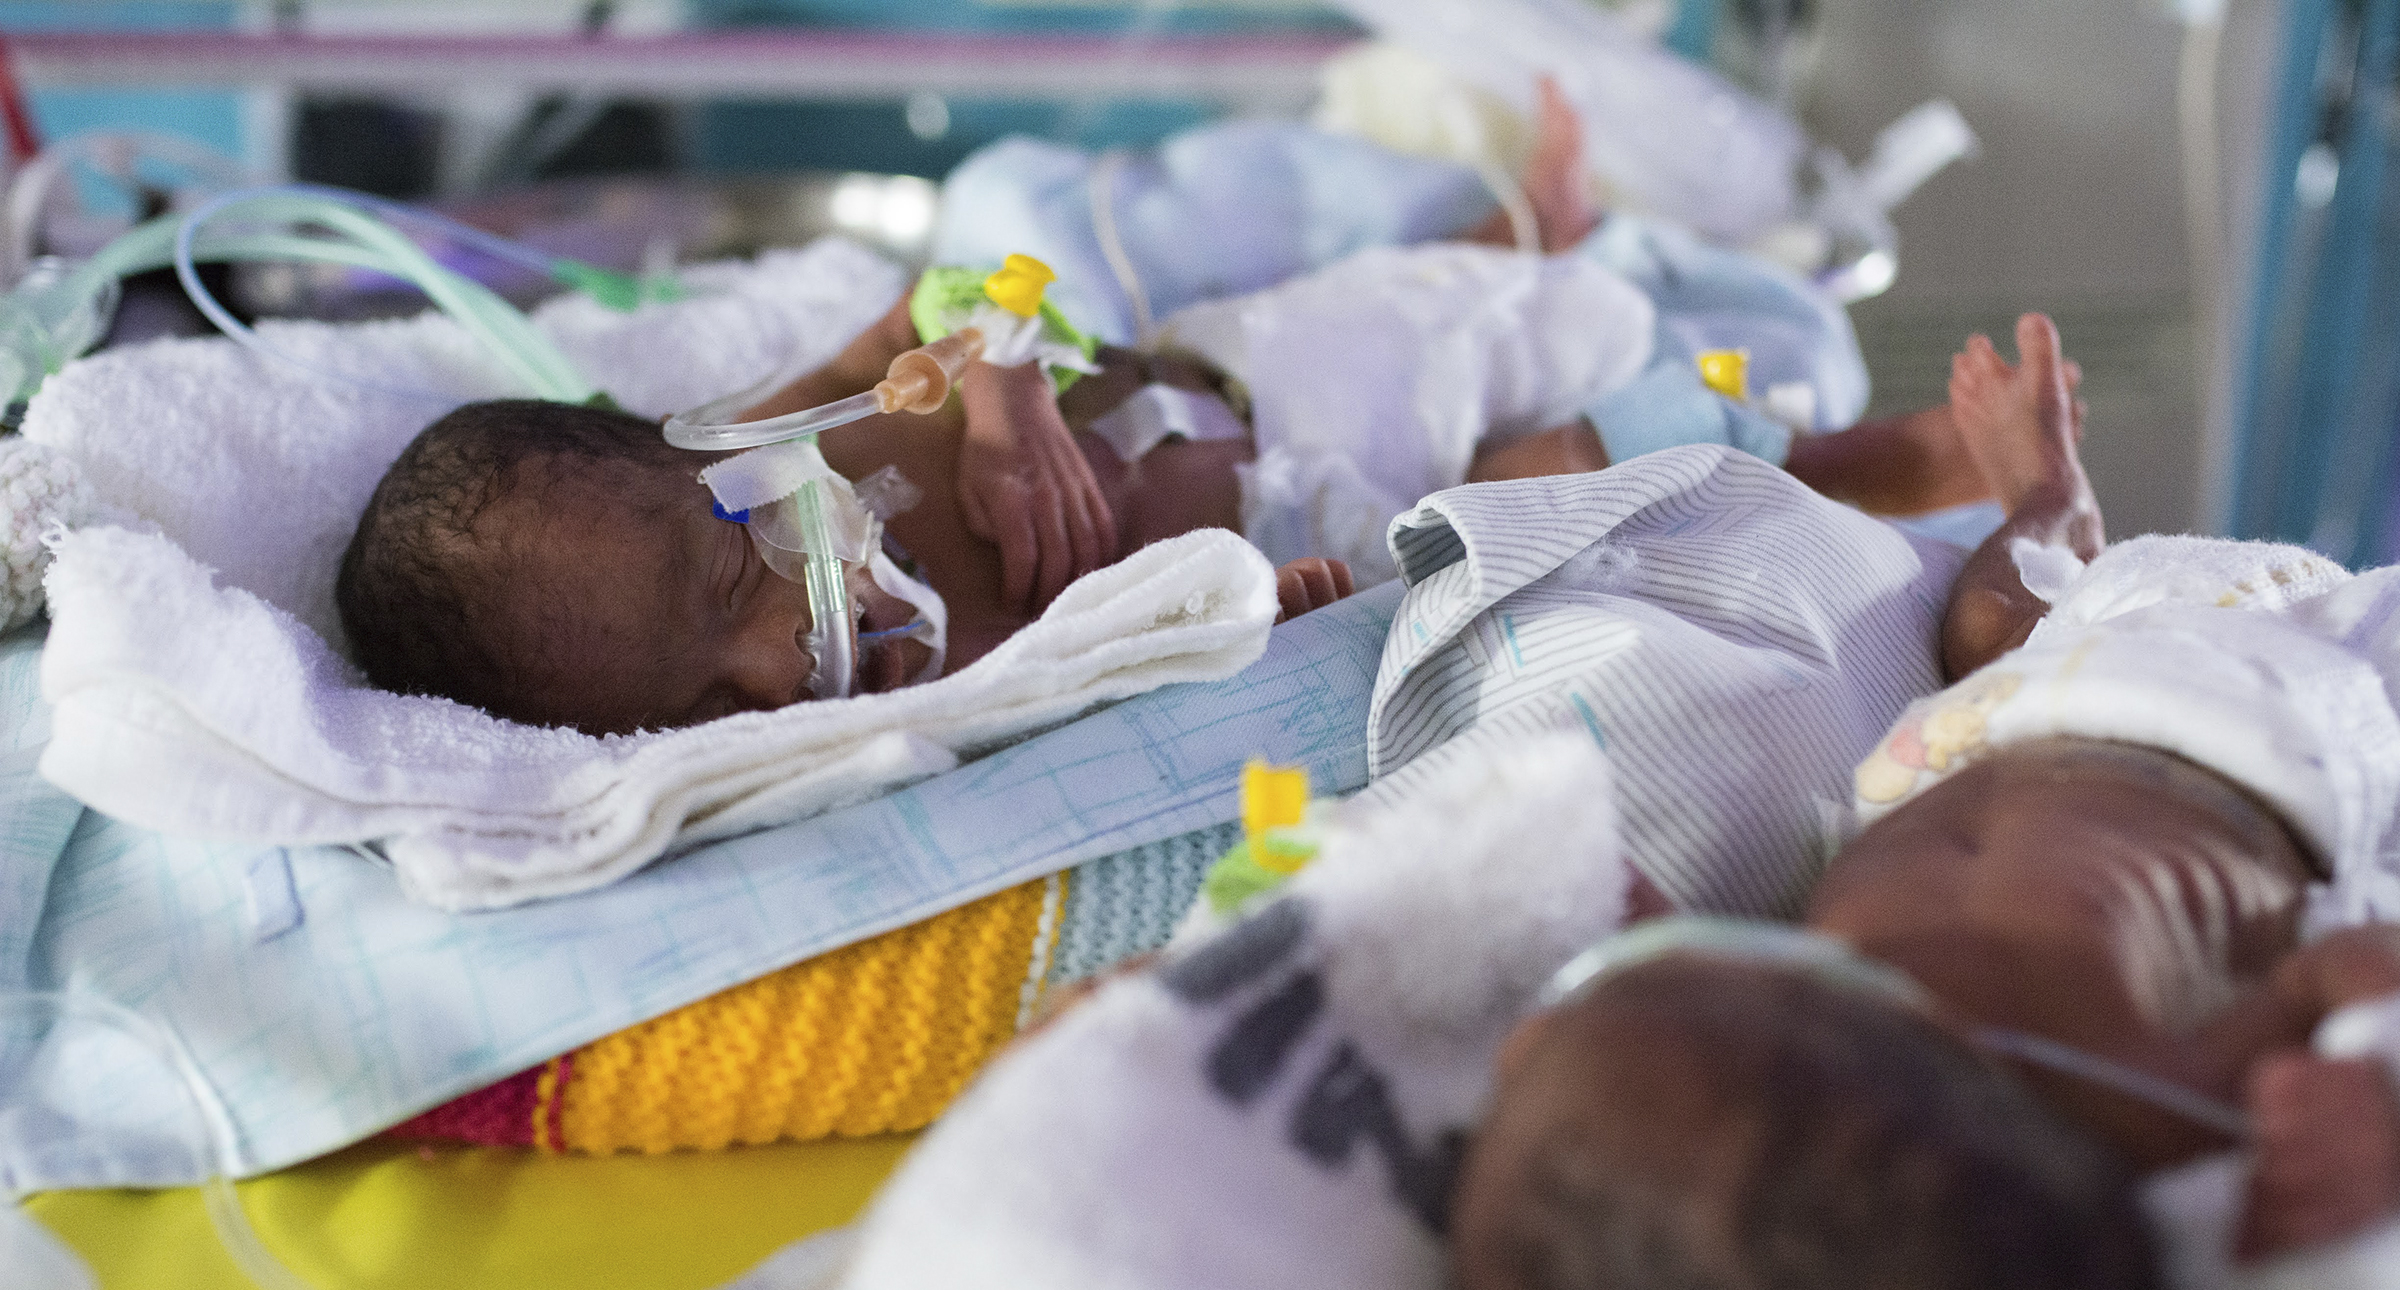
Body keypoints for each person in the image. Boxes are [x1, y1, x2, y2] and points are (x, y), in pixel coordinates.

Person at [1458, 313, 2400, 1288]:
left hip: (1969, 726)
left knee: (1991, 616)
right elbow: (2353, 960)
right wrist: (2378, 1084)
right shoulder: (2160, 1098)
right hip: (2254, 710)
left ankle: (2048, 502)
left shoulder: (1758, 1005)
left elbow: (1640, 940)